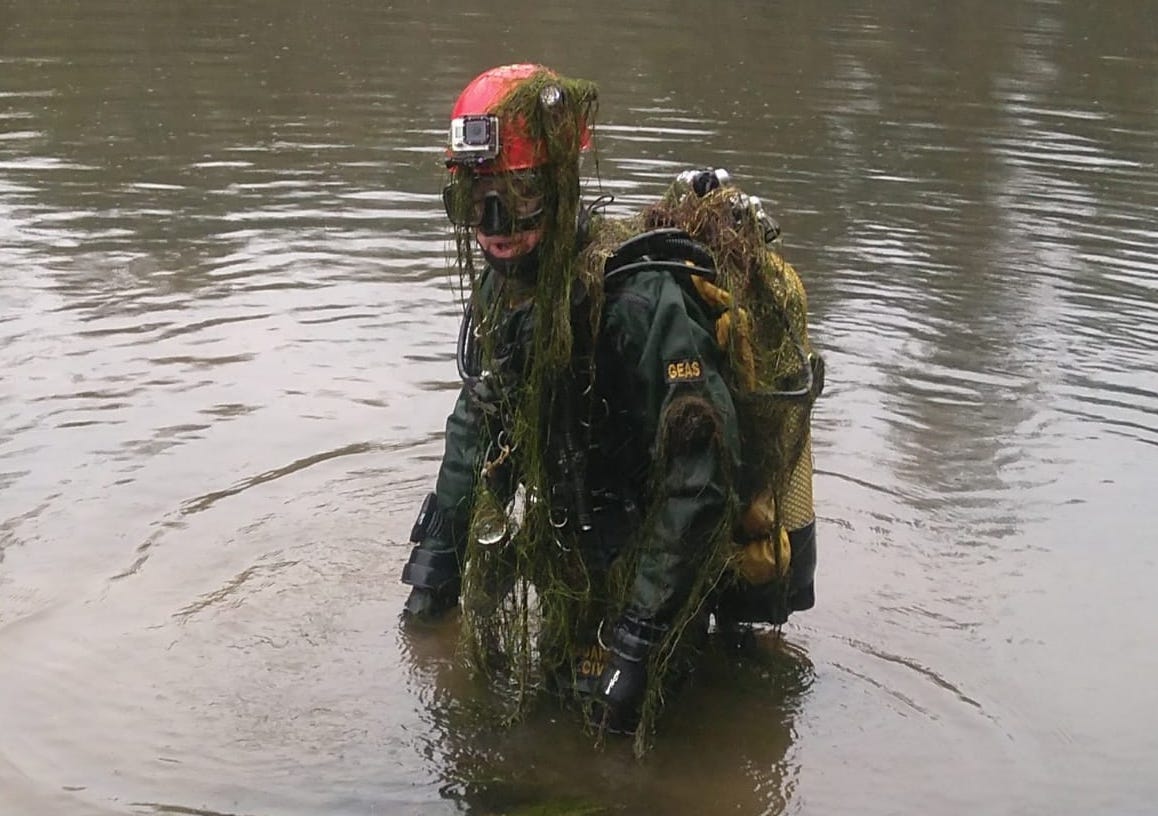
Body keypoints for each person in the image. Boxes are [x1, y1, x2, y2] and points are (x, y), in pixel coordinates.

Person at [400, 63, 821, 745]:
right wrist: (435, 565)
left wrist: (637, 639)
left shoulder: (640, 303)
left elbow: (700, 484)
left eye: (519, 199)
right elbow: (478, 419)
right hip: (583, 541)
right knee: (524, 732)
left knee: (619, 742)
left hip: (669, 558)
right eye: (477, 204)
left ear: (563, 188)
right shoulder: (507, 294)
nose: (495, 229)